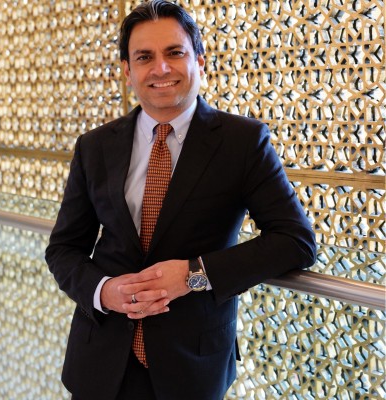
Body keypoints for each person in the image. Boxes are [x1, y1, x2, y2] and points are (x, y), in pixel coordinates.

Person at [45, 1, 316, 399]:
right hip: (99, 362)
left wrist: (194, 274)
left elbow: (296, 241)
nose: (161, 68)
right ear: (127, 71)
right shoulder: (95, 146)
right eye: (144, 57)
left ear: (199, 61)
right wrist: (103, 291)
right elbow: (63, 249)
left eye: (174, 52)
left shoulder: (243, 143)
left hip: (192, 365)